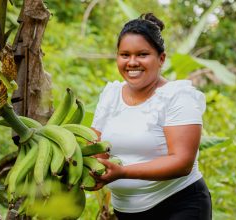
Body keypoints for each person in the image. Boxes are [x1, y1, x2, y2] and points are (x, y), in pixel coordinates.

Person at [90, 13, 212, 219]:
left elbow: (182, 162)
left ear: (161, 58)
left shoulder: (177, 96)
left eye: (142, 54)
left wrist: (123, 172)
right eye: (125, 55)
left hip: (179, 206)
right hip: (127, 211)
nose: (132, 62)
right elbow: (96, 149)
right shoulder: (111, 95)